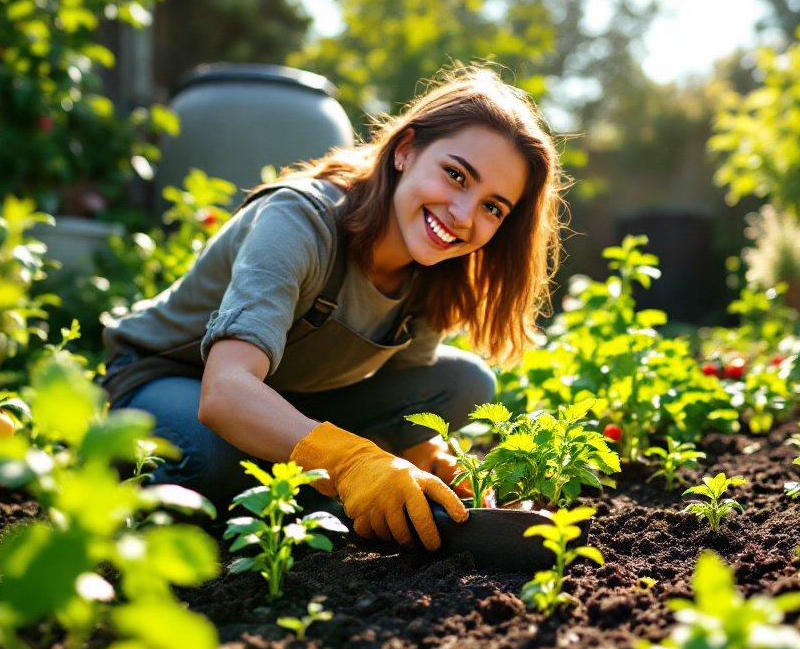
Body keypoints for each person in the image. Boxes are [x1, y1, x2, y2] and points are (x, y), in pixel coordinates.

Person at [100, 67, 565, 550]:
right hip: (169, 380)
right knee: (214, 460)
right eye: (455, 175)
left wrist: (434, 464)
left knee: (465, 382)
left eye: (494, 207)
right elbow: (224, 393)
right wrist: (351, 462)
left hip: (285, 395)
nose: (463, 216)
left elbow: (404, 402)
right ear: (405, 151)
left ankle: (301, 488)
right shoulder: (298, 220)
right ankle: (128, 459)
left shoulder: (438, 271)